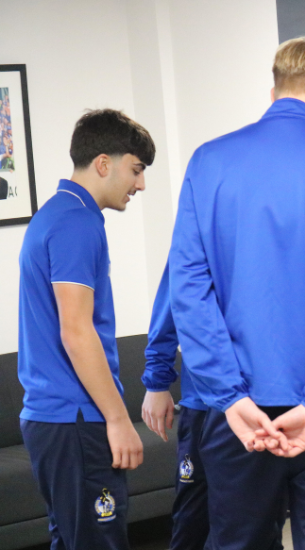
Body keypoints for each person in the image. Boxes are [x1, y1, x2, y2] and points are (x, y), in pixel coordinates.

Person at [168, 35, 305, 550]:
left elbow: (189, 290)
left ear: (277, 90)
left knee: (239, 542)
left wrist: (228, 395)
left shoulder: (209, 161)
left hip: (236, 411)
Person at [17, 109, 154, 549]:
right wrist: (118, 419)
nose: (141, 185)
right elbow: (76, 332)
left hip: (54, 417)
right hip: (74, 418)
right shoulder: (76, 223)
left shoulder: (59, 214)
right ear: (102, 163)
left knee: (75, 540)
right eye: (136, 170)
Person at [140, 263, 212, 550]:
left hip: (268, 403)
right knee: (192, 517)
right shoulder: (199, 227)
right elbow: (171, 306)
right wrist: (157, 383)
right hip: (204, 404)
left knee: (256, 518)